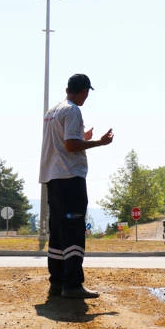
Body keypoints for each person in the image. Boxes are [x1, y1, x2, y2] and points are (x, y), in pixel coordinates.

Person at [39, 73, 114, 299]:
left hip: (52, 178)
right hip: (70, 178)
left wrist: (83, 136)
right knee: (73, 230)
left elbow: (65, 141)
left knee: (58, 232)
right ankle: (72, 285)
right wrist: (98, 142)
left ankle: (57, 282)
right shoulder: (73, 110)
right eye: (87, 93)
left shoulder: (52, 112)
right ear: (84, 91)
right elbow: (71, 146)